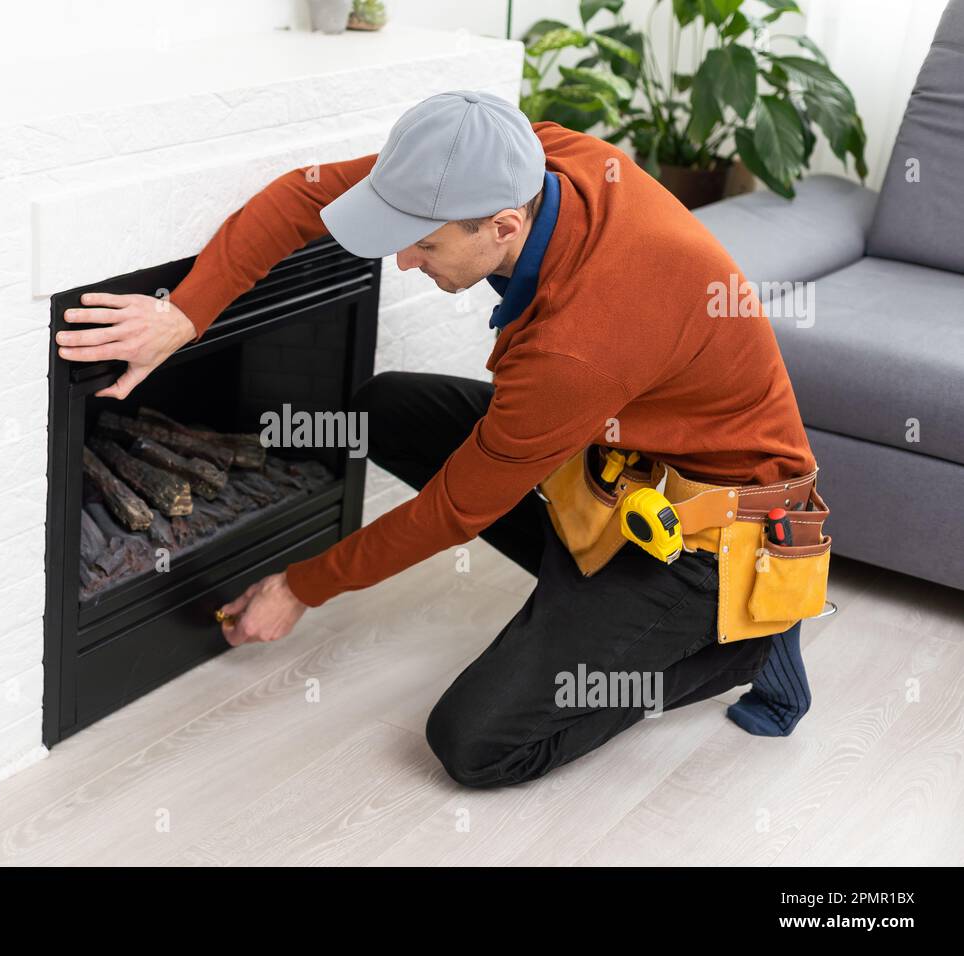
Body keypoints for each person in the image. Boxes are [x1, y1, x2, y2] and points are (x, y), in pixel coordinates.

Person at [53, 90, 815, 788]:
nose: (403, 260)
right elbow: (304, 195)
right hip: (619, 466)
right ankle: (588, 612)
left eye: (424, 245)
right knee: (383, 407)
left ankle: (736, 646)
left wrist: (301, 585)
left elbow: (458, 510)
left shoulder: (580, 345)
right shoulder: (528, 157)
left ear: (503, 228)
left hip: (709, 544)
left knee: (475, 744)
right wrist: (186, 314)